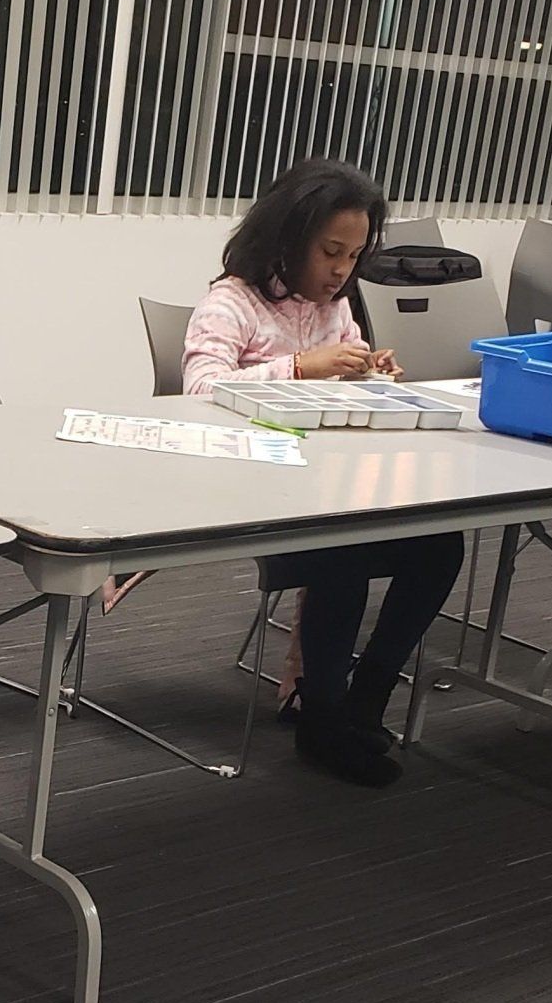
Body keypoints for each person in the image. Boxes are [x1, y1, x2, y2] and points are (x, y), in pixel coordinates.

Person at [182, 157, 464, 788]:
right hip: (252, 492)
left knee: (441, 545)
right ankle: (322, 713)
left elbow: (337, 393)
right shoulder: (232, 301)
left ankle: (364, 699)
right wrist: (301, 368)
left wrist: (369, 374)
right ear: (286, 238)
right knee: (345, 551)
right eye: (330, 251)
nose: (342, 269)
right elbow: (198, 389)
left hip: (325, 482)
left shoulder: (335, 306)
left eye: (354, 256)